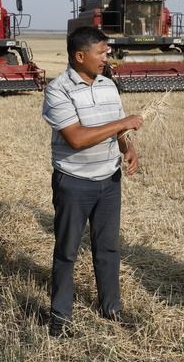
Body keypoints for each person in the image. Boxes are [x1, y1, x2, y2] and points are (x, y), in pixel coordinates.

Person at [42, 26, 144, 337]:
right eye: (101, 52)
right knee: (67, 251)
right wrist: (123, 123)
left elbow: (118, 131)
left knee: (108, 248)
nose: (107, 56)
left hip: (109, 180)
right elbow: (75, 138)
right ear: (80, 56)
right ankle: (60, 317)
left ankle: (111, 309)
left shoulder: (107, 85)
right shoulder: (58, 90)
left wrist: (128, 148)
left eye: (107, 51)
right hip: (74, 182)